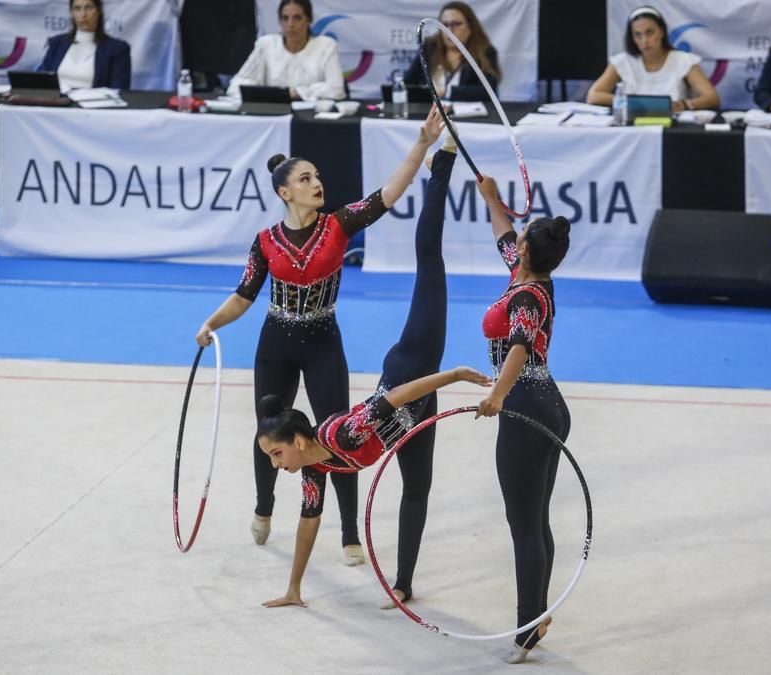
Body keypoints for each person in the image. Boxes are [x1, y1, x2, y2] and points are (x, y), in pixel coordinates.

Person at [195, 106, 448, 567]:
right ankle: (265, 505)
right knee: (269, 430)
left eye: (318, 177)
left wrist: (422, 144)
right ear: (285, 191)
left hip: (323, 342)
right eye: (306, 179)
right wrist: (211, 324)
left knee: (337, 437)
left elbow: (388, 194)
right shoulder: (265, 241)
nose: (317, 183)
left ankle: (350, 530)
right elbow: (243, 295)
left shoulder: (339, 224)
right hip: (276, 343)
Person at [255, 131, 487, 608]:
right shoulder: (314, 471)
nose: (279, 466)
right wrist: (294, 589)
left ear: (299, 442)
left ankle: (442, 165)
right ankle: (403, 583)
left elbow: (396, 398)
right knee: (417, 488)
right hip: (415, 415)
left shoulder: (341, 433)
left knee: (430, 262)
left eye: (277, 456)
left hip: (413, 370)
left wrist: (455, 376)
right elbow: (307, 525)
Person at [474, 176, 572, 664]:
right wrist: (492, 198)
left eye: (521, 240)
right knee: (535, 518)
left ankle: (527, 626)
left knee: (524, 525)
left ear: (528, 253)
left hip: (526, 407)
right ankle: (536, 615)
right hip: (546, 401)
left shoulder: (530, 297)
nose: (513, 243)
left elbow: (519, 346)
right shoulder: (526, 271)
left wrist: (497, 393)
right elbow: (503, 235)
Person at [586, 6, 719, 113]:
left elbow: (712, 98)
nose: (644, 40)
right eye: (637, 34)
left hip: (671, 128)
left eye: (649, 32)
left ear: (661, 31)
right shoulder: (622, 61)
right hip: (631, 128)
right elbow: (593, 96)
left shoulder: (684, 60)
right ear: (632, 38)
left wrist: (684, 105)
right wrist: (629, 103)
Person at [225, 0, 345, 101]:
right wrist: (263, 93)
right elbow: (236, 84)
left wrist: (297, 93)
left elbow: (336, 89)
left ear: (309, 20)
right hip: (272, 115)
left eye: (297, 18)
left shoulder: (325, 46)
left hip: (311, 118)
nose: (290, 24)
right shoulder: (266, 45)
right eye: (285, 18)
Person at [404, 2, 501, 98]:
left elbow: (488, 92)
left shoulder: (485, 52)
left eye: (456, 24)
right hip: (430, 111)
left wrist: (448, 91)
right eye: (445, 25)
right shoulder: (428, 48)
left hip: (467, 112)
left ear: (471, 27)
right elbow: (407, 85)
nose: (449, 30)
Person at [39, 0, 131, 90]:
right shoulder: (56, 43)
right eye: (77, 8)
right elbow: (41, 81)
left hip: (95, 104)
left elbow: (119, 90)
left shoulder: (117, 49)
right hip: (56, 102)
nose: (83, 14)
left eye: (89, 8)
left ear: (99, 11)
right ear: (71, 13)